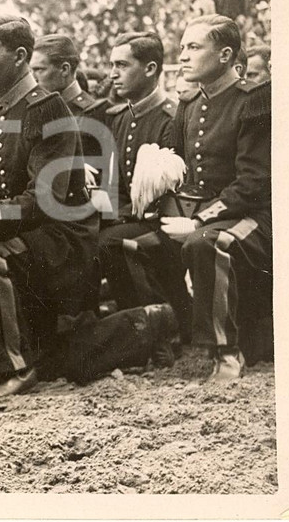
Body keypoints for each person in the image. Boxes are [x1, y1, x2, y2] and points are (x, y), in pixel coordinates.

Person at [0, 15, 99, 395]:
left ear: (19, 57)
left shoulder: (45, 108)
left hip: (62, 234)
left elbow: (45, 199)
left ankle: (15, 367)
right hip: (28, 226)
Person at [160, 15, 272, 377]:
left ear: (225, 54)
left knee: (206, 243)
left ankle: (226, 353)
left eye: (194, 47)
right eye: (182, 48)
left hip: (255, 215)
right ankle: (179, 339)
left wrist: (197, 220)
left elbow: (253, 182)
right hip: (210, 212)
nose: (183, 56)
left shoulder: (252, 101)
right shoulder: (189, 105)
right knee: (145, 240)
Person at [95, 32, 191, 343]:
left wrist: (118, 218)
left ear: (150, 69)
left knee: (113, 242)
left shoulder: (172, 117)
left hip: (167, 224)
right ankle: (133, 326)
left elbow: (173, 193)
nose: (113, 74)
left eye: (122, 65)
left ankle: (160, 329)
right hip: (131, 218)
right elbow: (116, 184)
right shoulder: (121, 118)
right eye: (111, 65)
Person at [31, 34, 109, 160]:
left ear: (64, 69)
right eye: (31, 71)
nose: (33, 78)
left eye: (39, 70)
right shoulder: (37, 110)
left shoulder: (93, 112)